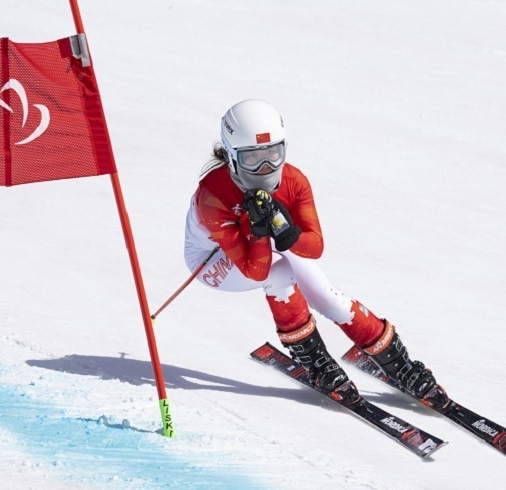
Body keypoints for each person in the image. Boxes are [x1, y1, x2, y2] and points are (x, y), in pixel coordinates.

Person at [183, 99, 448, 408]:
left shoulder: (294, 181)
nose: (266, 167)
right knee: (280, 272)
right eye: (253, 158)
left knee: (325, 293)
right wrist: (258, 231)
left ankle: (399, 364)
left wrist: (287, 233)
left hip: (259, 246)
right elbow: (256, 271)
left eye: (273, 153)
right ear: (231, 157)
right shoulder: (212, 197)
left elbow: (315, 247)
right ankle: (317, 362)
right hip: (211, 260)